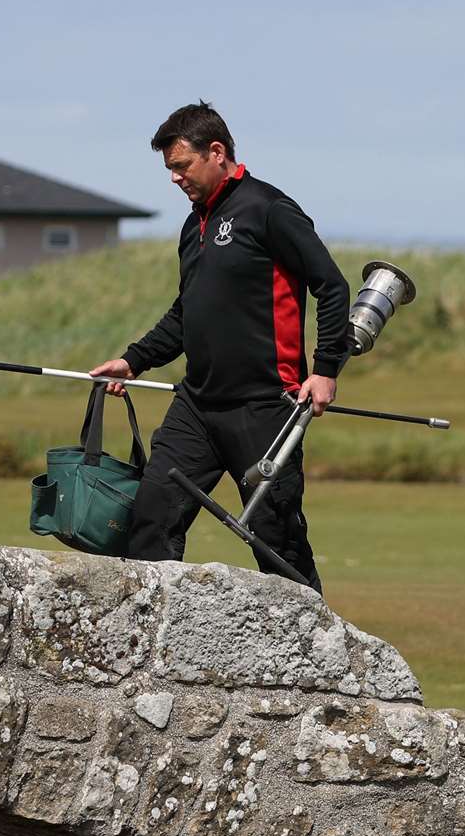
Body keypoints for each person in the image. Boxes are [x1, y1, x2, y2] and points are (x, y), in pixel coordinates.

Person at [90, 101, 351, 591]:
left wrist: (326, 369)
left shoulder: (269, 210)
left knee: (277, 539)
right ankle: (152, 657)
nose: (174, 179)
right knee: (151, 519)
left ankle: (312, 662)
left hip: (265, 407)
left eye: (181, 166)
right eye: (169, 169)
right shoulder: (194, 226)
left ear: (216, 152)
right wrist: (133, 360)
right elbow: (186, 313)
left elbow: (332, 287)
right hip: (197, 406)